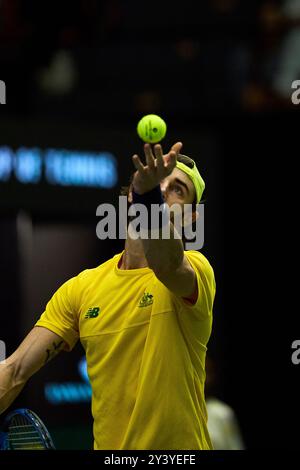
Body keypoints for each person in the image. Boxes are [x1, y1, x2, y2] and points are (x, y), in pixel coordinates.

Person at [0, 141, 216, 450]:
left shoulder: (196, 272)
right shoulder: (82, 288)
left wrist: (148, 194)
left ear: (192, 218)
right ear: (129, 196)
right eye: (157, 185)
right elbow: (14, 371)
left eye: (177, 190)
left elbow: (166, 263)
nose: (163, 192)